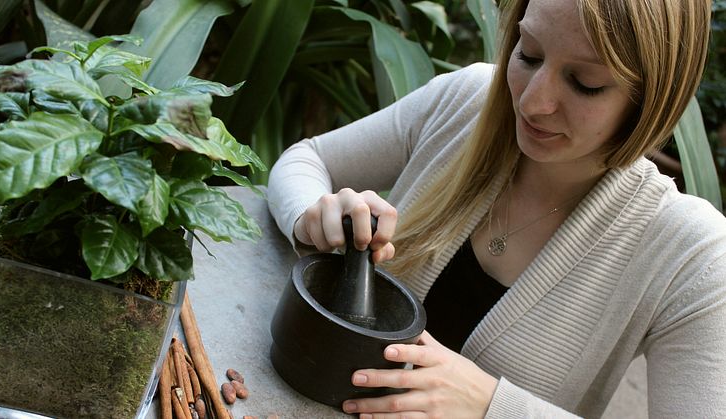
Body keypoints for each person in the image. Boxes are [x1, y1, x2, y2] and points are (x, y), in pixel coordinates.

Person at [267, 0, 725, 417]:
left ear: (652, 96)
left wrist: (492, 406)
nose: (532, 102)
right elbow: (306, 160)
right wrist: (312, 215)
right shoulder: (469, 101)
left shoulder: (692, 253)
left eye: (586, 83)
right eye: (528, 54)